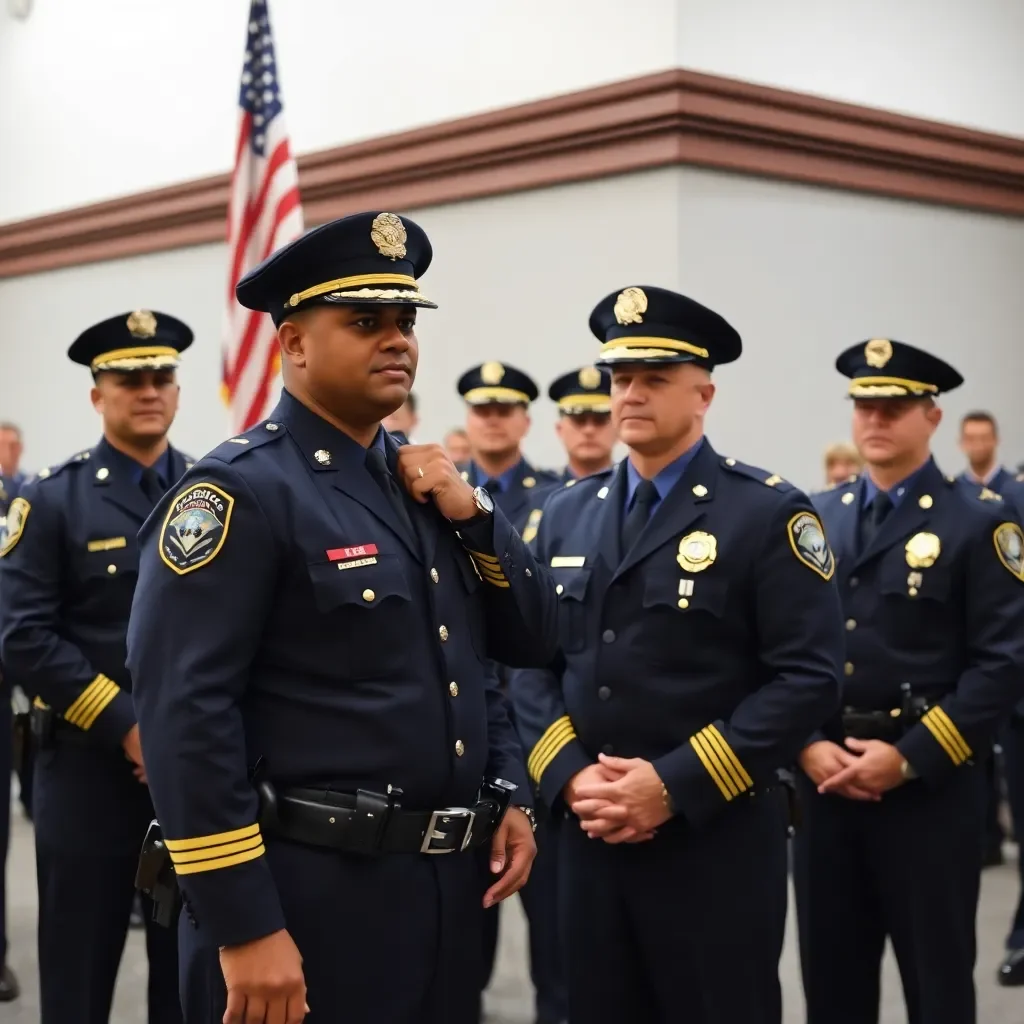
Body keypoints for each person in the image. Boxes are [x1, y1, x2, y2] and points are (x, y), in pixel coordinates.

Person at [125, 211, 560, 1024]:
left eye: (404, 322)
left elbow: (512, 649)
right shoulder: (239, 492)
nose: (396, 339)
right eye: (365, 322)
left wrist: (511, 793)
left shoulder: (425, 488)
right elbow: (186, 716)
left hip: (440, 895)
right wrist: (244, 923)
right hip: (307, 893)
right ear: (292, 343)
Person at [508, 285, 844, 1024]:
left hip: (712, 840)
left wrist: (672, 783)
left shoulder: (765, 512)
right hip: (592, 838)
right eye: (620, 378)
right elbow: (527, 663)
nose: (630, 394)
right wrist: (569, 777)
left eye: (654, 379)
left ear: (704, 395)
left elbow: (808, 679)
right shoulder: (564, 514)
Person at [793, 338, 1024, 1024]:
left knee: (938, 983)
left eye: (893, 406)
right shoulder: (814, 517)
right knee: (831, 983)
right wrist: (804, 744)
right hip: (826, 785)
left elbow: (1004, 662)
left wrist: (911, 757)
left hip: (928, 790)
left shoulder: (980, 521)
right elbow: (781, 649)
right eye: (864, 405)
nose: (875, 420)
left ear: (930, 415)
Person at [0, 311, 192, 1024]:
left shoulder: (216, 489)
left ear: (178, 388)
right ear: (97, 394)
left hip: (193, 775)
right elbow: (22, 637)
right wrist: (128, 725)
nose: (148, 389)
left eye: (161, 375)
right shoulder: (51, 499)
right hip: (87, 776)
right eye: (128, 377)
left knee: (189, 977)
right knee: (79, 974)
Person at [456, 362, 559, 535]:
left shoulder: (553, 494)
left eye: (504, 411)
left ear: (526, 423)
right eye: (482, 411)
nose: (493, 421)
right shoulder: (445, 485)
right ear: (467, 421)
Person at [547, 365, 617, 485]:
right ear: (559, 429)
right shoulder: (537, 498)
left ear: (619, 429)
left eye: (600, 420)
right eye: (578, 420)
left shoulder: (638, 494)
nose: (589, 430)